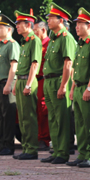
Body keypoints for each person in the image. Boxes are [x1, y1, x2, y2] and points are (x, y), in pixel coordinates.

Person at [66, 8, 90, 168]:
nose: (77, 27)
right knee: (80, 124)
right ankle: (82, 154)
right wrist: (73, 88)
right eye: (76, 24)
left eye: (80, 24)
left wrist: (89, 89)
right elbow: (76, 69)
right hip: (79, 87)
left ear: (89, 25)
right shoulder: (81, 45)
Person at [40, 4, 77, 165]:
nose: (48, 20)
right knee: (53, 118)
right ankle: (56, 149)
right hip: (48, 81)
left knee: (62, 118)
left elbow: (68, 64)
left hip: (58, 80)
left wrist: (63, 86)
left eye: (51, 18)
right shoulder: (54, 39)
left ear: (60, 20)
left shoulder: (66, 38)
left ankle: (63, 151)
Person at [0, 14, 20, 156]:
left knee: (8, 117)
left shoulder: (12, 45)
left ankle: (8, 145)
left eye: (1, 28)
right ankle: (0, 144)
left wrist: (8, 85)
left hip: (6, 84)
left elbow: (14, 66)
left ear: (9, 30)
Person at [12, 11, 42, 160]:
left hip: (28, 81)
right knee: (22, 116)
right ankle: (25, 147)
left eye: (19, 24)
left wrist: (29, 85)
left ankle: (31, 149)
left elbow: (34, 64)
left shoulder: (34, 41)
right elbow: (22, 66)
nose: (17, 26)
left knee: (29, 117)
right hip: (21, 80)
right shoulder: (24, 42)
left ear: (28, 25)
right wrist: (17, 83)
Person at [33, 21, 51, 151]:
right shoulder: (37, 44)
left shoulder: (48, 44)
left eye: (36, 31)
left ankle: (45, 139)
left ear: (43, 30)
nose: (34, 33)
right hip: (36, 80)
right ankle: (39, 136)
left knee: (44, 110)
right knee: (37, 109)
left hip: (45, 79)